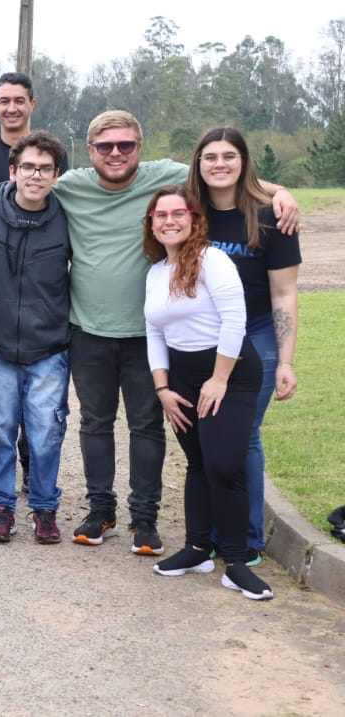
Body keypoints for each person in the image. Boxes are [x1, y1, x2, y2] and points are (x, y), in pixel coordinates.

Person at [52, 110, 298, 554]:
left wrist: (281, 192)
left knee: (164, 427)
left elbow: (224, 169)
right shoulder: (71, 185)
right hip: (99, 330)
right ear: (90, 151)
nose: (115, 153)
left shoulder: (164, 176)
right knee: (99, 423)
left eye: (126, 144)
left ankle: (160, 522)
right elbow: (28, 181)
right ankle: (108, 511)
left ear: (139, 147)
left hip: (186, 335)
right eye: (105, 146)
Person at [143, 186, 273, 601]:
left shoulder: (213, 260)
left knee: (224, 464)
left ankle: (236, 562)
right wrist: (163, 388)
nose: (169, 221)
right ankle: (197, 548)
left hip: (230, 372)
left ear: (194, 219)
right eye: (160, 215)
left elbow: (235, 320)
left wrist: (218, 379)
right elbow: (154, 333)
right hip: (181, 376)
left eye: (178, 213)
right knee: (197, 462)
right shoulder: (156, 272)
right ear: (151, 224)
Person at [186, 126, 300, 566]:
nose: (220, 164)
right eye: (210, 156)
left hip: (257, 335)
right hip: (204, 338)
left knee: (244, 434)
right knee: (206, 434)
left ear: (243, 161)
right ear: (198, 163)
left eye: (229, 156)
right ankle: (212, 533)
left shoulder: (270, 217)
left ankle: (247, 537)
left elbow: (284, 294)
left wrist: (286, 361)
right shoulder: (189, 211)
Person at [0, 72, 67, 500]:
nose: (11, 107)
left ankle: (32, 474)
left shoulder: (46, 153)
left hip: (41, 312)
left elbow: (57, 202)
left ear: (31, 104)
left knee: (40, 413)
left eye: (19, 100)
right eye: (4, 100)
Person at [0, 131, 71, 544]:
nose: (36, 175)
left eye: (45, 169)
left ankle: (45, 508)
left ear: (56, 175)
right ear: (13, 170)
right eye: (28, 167)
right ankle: (0, 507)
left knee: (46, 431)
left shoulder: (67, 217)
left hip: (49, 345)